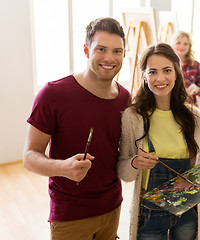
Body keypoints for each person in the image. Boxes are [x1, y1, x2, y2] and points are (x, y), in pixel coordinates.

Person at [23, 17, 130, 240]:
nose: (110, 58)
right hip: (71, 213)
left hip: (113, 206)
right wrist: (63, 167)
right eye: (101, 49)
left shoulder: (124, 98)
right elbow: (29, 157)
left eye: (117, 51)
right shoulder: (53, 94)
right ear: (86, 49)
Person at [117, 43, 200, 240]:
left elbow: (199, 166)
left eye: (167, 70)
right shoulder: (133, 117)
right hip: (150, 213)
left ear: (176, 73)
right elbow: (124, 172)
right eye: (153, 72)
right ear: (144, 76)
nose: (160, 78)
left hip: (187, 211)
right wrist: (134, 162)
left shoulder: (196, 118)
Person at [172, 31, 200, 106]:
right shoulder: (167, 65)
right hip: (172, 106)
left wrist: (196, 89)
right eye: (178, 43)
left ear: (189, 46)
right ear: (173, 44)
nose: (181, 46)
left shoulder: (196, 65)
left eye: (185, 44)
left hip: (190, 107)